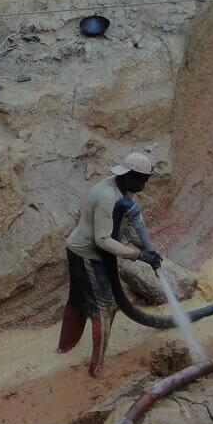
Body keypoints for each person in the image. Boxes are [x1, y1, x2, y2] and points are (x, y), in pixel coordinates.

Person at [58, 151, 162, 377]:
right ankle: (97, 369)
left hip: (82, 250)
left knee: (77, 301)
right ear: (129, 176)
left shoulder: (121, 190)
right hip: (87, 254)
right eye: (142, 180)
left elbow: (130, 224)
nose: (144, 184)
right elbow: (102, 240)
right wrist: (138, 255)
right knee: (105, 308)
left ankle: (64, 348)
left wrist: (148, 249)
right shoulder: (108, 197)